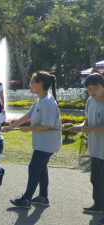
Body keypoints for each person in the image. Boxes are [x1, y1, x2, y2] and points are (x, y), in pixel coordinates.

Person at [2, 71, 62, 208]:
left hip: (48, 143)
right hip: (42, 143)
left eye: (32, 82)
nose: (29, 85)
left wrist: (28, 129)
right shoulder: (40, 100)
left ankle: (27, 199)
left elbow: (48, 125)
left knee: (34, 168)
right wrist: (10, 127)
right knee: (41, 169)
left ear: (40, 84)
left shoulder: (47, 102)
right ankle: (43, 197)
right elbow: (27, 116)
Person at [69, 73, 104, 221]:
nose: (92, 91)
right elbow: (87, 121)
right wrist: (80, 126)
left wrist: (91, 129)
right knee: (96, 179)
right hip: (95, 149)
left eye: (95, 87)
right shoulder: (90, 101)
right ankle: (98, 205)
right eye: (89, 88)